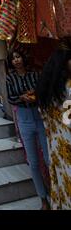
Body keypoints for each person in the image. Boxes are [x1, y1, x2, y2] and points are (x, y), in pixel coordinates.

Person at [6, 50, 50, 210]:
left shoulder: (34, 74)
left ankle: (56, 191)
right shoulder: (10, 77)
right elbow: (10, 97)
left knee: (48, 158)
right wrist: (20, 98)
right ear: (10, 62)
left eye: (18, 57)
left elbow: (42, 92)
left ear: (23, 58)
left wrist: (34, 95)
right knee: (33, 162)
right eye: (13, 59)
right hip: (24, 119)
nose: (16, 60)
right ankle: (43, 198)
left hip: (39, 117)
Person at [36, 47, 71, 210]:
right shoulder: (68, 89)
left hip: (56, 151)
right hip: (68, 150)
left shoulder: (46, 93)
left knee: (62, 189)